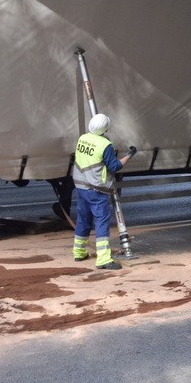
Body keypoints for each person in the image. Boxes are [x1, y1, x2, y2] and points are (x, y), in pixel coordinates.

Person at [71, 113, 136, 270]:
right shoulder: (105, 144)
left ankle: (79, 252)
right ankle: (103, 260)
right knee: (101, 222)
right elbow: (114, 167)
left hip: (80, 185)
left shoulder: (83, 138)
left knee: (83, 219)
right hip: (96, 189)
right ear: (106, 129)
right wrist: (129, 155)